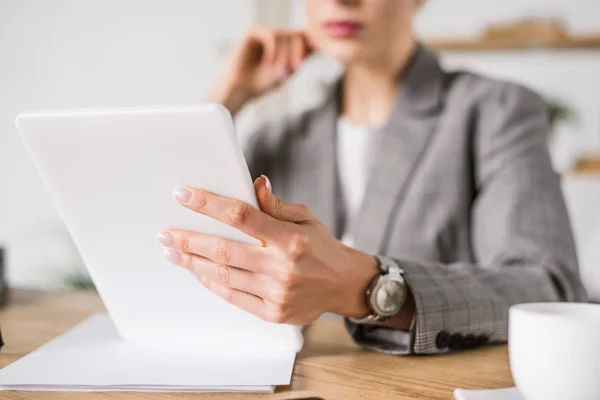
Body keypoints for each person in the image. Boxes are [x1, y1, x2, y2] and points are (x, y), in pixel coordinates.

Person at [157, 0, 587, 355]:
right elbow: (170, 251)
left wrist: (371, 286)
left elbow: (550, 289)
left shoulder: (496, 111)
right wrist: (228, 96)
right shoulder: (276, 140)